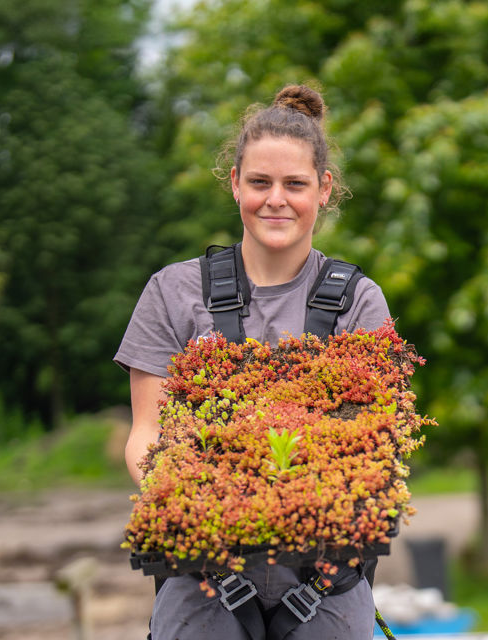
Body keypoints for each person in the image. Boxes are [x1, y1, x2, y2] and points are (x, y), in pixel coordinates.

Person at [113, 85, 392, 640]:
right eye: (260, 182)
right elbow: (145, 435)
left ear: (324, 189)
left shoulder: (358, 302)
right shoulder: (173, 292)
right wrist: (194, 503)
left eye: (295, 184)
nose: (276, 200)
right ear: (236, 182)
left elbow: (374, 448)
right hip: (205, 571)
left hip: (322, 577)